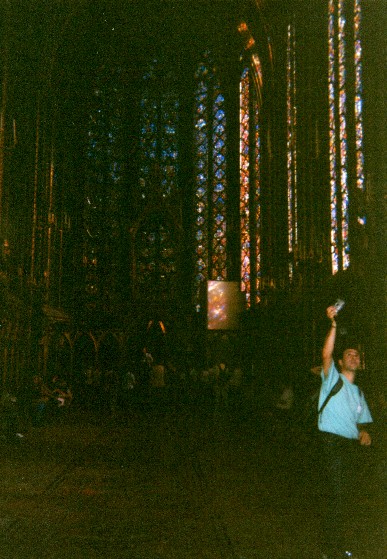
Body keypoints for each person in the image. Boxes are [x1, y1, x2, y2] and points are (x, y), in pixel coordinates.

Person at [318, 305, 373, 559]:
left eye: (356, 355)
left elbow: (360, 421)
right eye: (348, 354)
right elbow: (326, 355)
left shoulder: (360, 393)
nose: (353, 357)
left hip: (349, 446)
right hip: (331, 443)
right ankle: (333, 549)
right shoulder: (334, 379)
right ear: (341, 361)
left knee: (347, 496)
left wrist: (363, 432)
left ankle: (339, 544)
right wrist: (334, 325)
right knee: (338, 495)